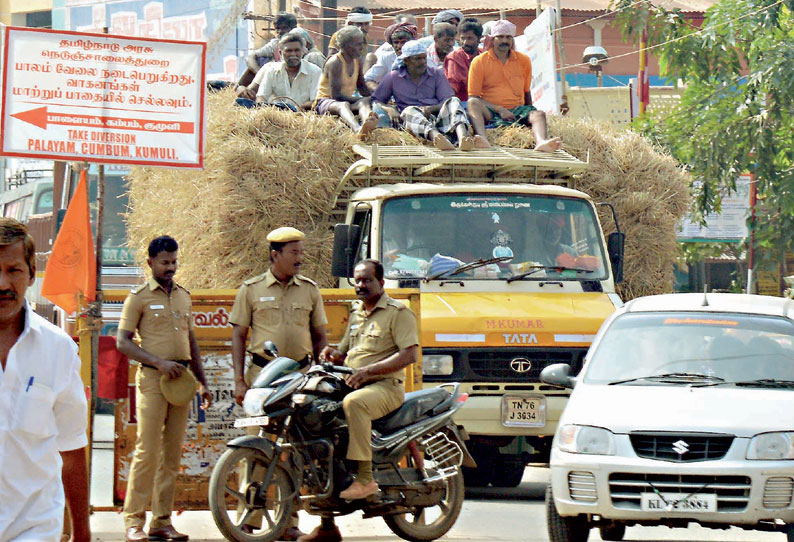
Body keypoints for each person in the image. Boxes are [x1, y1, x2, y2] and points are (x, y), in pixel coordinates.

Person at [300, 260, 418, 542]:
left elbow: (409, 355)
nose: (361, 285)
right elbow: (344, 353)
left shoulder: (398, 313)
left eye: (367, 280)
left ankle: (365, 480)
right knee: (316, 422)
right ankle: (328, 525)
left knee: (355, 404)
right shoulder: (356, 314)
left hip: (384, 387)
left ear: (381, 283)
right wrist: (332, 354)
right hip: (352, 383)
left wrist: (367, 372)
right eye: (357, 281)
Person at [230, 227, 328, 541]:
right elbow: (238, 336)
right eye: (294, 252)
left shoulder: (310, 290)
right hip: (262, 381)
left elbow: (320, 335)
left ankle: (289, 521)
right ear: (275, 254)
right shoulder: (251, 289)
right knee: (256, 446)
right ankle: (249, 519)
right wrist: (238, 381)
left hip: (299, 381)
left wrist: (318, 370)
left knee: (294, 451)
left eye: (302, 251)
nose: (301, 257)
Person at [0, 219, 90, 542]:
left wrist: (82, 531)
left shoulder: (58, 349)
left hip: (35, 528)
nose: (3, 283)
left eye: (13, 270)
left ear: (31, 274)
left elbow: (72, 446)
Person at [119, 235, 212, 542]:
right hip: (153, 380)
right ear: (150, 263)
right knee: (147, 450)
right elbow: (123, 342)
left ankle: (161, 521)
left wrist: (203, 381)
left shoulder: (184, 296)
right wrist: (158, 363)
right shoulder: (139, 297)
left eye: (174, 262)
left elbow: (192, 343)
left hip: (181, 381)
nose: (171, 267)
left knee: (172, 454)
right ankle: (134, 520)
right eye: (164, 262)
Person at [467, 19, 563, 152]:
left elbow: (526, 92)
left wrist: (529, 112)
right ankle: (482, 138)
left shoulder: (524, 60)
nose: (504, 41)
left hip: (516, 111)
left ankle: (541, 142)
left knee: (538, 114)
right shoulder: (479, 62)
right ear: (492, 39)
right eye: (500, 37)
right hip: (491, 112)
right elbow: (474, 96)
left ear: (512, 40)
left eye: (508, 37)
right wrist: (500, 109)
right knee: (472, 103)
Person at [372, 40, 482, 151]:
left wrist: (431, 108)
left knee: (454, 100)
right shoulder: (393, 77)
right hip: (412, 124)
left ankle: (463, 137)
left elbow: (446, 100)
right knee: (410, 110)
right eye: (418, 59)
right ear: (406, 61)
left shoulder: (436, 74)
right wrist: (389, 109)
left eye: (424, 58)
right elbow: (376, 100)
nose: (423, 62)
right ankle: (437, 139)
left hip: (437, 119)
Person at [313, 26, 378, 138]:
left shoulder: (357, 61)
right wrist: (361, 99)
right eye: (358, 44)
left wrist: (375, 98)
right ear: (348, 46)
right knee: (343, 105)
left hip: (345, 101)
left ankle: (367, 125)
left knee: (364, 103)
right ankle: (357, 129)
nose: (361, 47)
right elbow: (336, 96)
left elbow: (362, 87)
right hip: (325, 102)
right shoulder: (335, 62)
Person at [237, 12, 298, 99]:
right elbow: (251, 57)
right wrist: (258, 72)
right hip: (277, 78)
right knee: (260, 60)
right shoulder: (276, 43)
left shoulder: (300, 42)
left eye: (284, 28)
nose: (280, 32)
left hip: (292, 81)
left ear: (293, 29)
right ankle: (242, 90)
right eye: (277, 28)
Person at [256, 33, 323, 111]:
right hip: (275, 117)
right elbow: (261, 97)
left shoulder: (315, 72)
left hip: (303, 118)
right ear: (280, 53)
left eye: (297, 50)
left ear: (303, 52)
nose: (293, 54)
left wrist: (296, 110)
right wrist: (264, 110)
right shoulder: (272, 71)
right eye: (289, 51)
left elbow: (316, 102)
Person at [364, 21, 417, 91]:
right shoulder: (386, 58)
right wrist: (382, 92)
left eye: (403, 42)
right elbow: (368, 79)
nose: (399, 46)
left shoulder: (421, 58)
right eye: (396, 42)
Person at [444, 20, 483, 101]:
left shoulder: (484, 55)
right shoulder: (455, 57)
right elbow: (453, 85)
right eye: (462, 38)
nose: (465, 42)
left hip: (488, 102)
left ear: (479, 39)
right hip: (465, 103)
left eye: (470, 38)